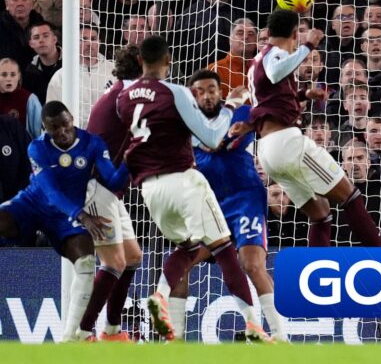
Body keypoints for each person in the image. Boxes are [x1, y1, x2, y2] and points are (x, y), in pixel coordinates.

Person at [115, 35, 272, 343]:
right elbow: (213, 137)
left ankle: (161, 301)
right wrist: (231, 105)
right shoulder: (175, 93)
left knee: (187, 249)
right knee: (225, 249)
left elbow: (128, 147)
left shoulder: (124, 97)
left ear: (139, 61)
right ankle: (254, 325)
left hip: (151, 191)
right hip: (184, 183)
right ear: (168, 61)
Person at [231, 9, 381, 249]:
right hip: (287, 144)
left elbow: (269, 100)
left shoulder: (257, 62)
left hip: (269, 151)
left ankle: (317, 268)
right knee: (350, 195)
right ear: (295, 33)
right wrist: (309, 45)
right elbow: (276, 72)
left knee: (321, 213)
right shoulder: (276, 54)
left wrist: (304, 94)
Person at [170, 69, 285, 341]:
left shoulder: (240, 114)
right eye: (200, 92)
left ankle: (281, 338)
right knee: (178, 267)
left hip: (245, 199)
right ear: (192, 96)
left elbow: (217, 143)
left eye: (212, 90)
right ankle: (175, 343)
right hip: (208, 204)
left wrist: (239, 101)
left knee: (252, 264)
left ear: (220, 92)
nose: (207, 96)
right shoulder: (184, 126)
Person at [0, 101, 129, 341]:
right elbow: (51, 192)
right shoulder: (37, 148)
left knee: (86, 263)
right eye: (54, 128)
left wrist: (128, 164)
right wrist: (83, 216)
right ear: (45, 128)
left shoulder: (92, 143)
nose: (62, 131)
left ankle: (71, 338)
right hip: (34, 204)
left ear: (72, 119)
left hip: (65, 218)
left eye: (65, 124)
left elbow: (113, 182)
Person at [80, 45, 144, 341]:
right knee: (114, 262)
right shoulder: (128, 96)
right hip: (94, 187)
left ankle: (112, 331)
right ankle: (82, 333)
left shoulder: (121, 91)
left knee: (131, 257)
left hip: (109, 189)